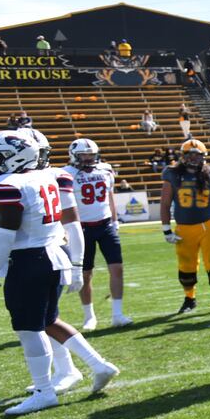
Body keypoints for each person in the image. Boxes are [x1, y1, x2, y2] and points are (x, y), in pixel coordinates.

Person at [0, 131, 119, 414]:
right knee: (49, 320)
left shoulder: (10, 184)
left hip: (28, 260)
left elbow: (5, 234)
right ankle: (99, 364)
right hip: (52, 254)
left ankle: (44, 391)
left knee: (29, 328)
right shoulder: (46, 177)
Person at [63, 139, 132, 330]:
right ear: (74, 156)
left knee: (117, 269)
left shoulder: (106, 170)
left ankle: (118, 314)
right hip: (82, 228)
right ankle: (89, 316)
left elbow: (109, 195)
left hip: (105, 224)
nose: (88, 159)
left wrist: (115, 220)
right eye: (84, 155)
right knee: (86, 274)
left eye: (91, 155)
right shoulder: (66, 174)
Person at [160, 137, 210, 314]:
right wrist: (166, 230)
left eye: (197, 155)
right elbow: (165, 202)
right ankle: (189, 299)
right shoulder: (173, 174)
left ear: (204, 156)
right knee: (186, 266)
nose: (193, 158)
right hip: (184, 227)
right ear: (182, 156)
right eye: (189, 155)